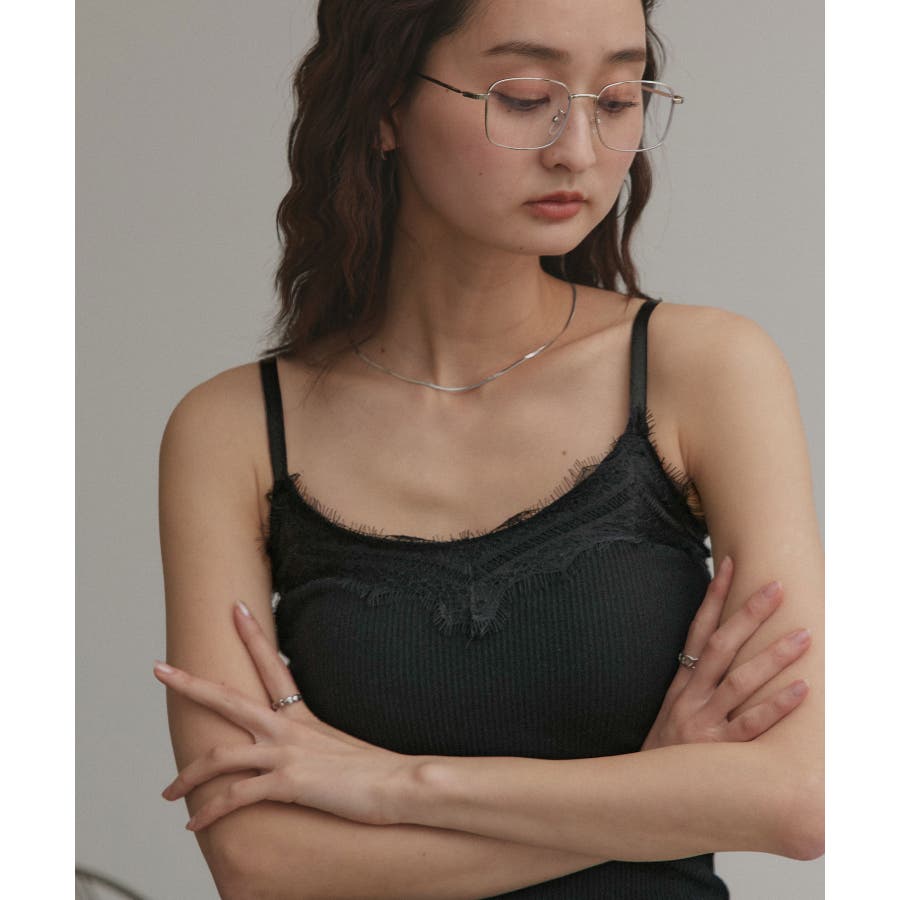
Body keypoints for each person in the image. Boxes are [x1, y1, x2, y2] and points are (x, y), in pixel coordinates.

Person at [155, 0, 824, 896]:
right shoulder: (234, 429)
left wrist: (397, 785)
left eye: (617, 100)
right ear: (383, 105)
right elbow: (260, 865)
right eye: (524, 98)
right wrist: (654, 789)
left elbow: (799, 796)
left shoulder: (705, 370)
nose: (578, 150)